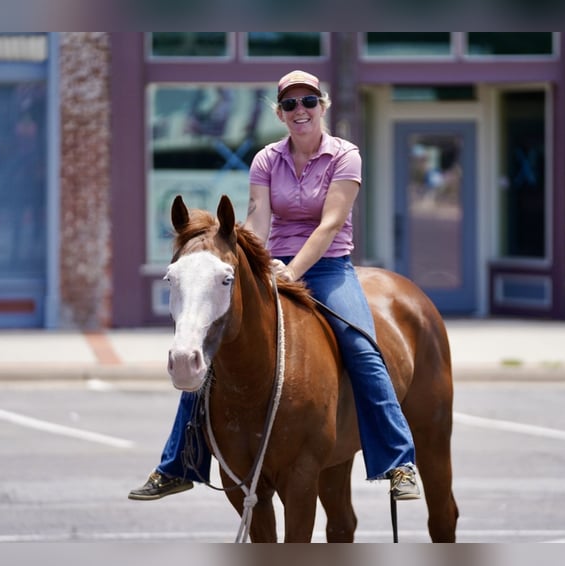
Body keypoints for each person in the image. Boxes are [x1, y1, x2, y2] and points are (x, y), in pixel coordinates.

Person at [129, 70, 420, 503]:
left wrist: (293, 271)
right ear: (280, 114)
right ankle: (178, 464)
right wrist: (252, 263)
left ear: (322, 105)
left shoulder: (345, 155)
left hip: (328, 267)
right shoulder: (267, 159)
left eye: (307, 102)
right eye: (289, 105)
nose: (299, 111)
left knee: (362, 347)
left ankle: (398, 461)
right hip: (273, 263)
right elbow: (259, 220)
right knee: (210, 346)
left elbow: (330, 224)